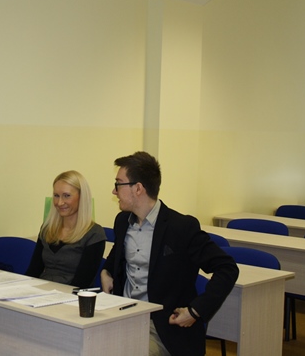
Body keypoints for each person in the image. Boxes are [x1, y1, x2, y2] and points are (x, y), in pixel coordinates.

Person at [101, 152, 239, 356]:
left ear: (138, 188)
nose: (114, 191)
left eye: (118, 184)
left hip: (163, 327)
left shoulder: (181, 227)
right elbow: (117, 255)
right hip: (125, 317)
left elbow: (227, 268)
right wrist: (106, 271)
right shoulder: (123, 221)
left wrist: (195, 311)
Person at [25, 171, 106, 288]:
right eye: (56, 196)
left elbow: (82, 283)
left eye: (66, 196)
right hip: (41, 291)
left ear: (82, 198)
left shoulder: (94, 234)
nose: (59, 202)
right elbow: (33, 271)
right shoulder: (47, 228)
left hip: (70, 295)